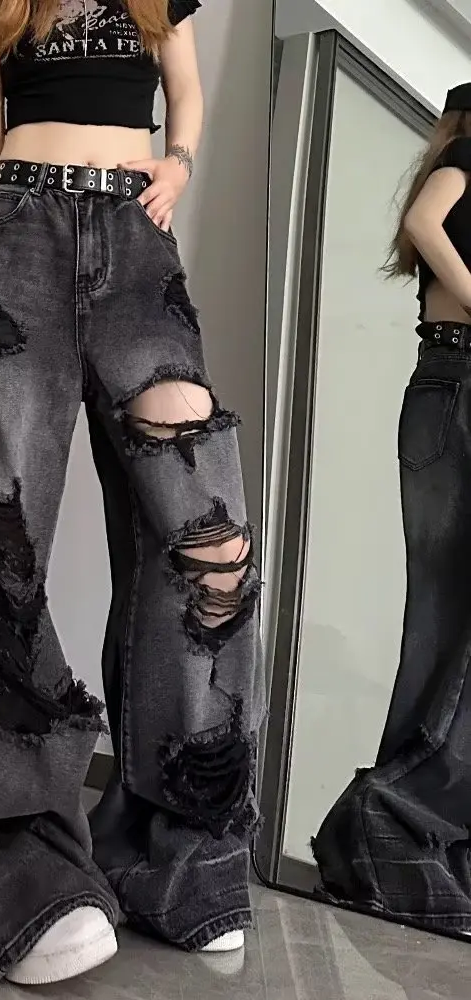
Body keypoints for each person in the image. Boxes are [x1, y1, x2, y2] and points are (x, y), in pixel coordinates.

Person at [0, 0, 265, 984]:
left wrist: (178, 161)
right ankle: (9, 866)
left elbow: (186, 94)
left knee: (209, 542)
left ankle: (175, 851)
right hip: (14, 233)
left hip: (136, 244)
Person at [312, 83, 471, 934]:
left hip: (442, 383)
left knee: (441, 624)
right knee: (445, 623)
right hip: (461, 380)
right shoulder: (468, 155)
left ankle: (408, 843)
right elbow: (423, 222)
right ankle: (394, 822)